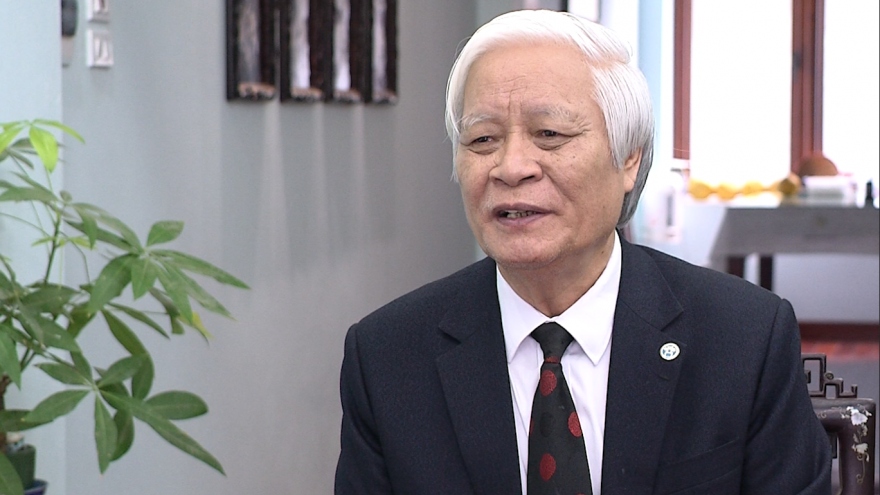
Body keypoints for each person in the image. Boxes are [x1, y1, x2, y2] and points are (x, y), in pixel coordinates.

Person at [335, 9, 831, 494]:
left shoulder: (744, 339)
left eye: (549, 134)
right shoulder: (387, 357)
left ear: (629, 158)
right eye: (482, 139)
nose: (511, 167)